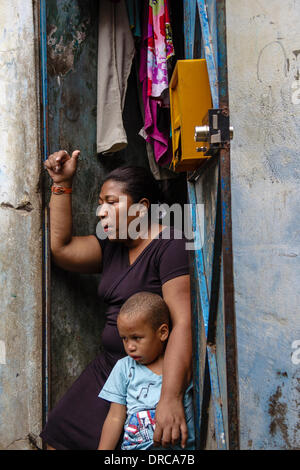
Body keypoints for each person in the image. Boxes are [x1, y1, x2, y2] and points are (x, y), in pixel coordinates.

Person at [40, 149, 192, 450]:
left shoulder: (170, 244)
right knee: (57, 437)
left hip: (149, 374)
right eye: (100, 204)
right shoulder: (113, 245)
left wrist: (170, 396)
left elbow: (183, 322)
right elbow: (62, 250)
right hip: (110, 368)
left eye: (111, 203)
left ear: (141, 208)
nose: (100, 212)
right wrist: (61, 183)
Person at [98, 292, 195, 450]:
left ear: (162, 333)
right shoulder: (124, 368)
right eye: (124, 338)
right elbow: (115, 417)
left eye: (137, 337)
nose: (130, 346)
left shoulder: (178, 366)